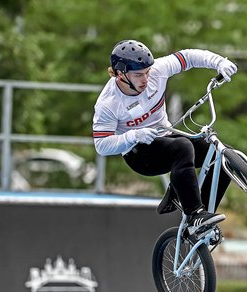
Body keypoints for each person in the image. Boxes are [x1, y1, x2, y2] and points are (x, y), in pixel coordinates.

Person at [92, 40, 237, 233]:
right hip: (139, 155)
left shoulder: (157, 71)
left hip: (167, 137)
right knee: (183, 147)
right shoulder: (108, 103)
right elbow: (101, 145)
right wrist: (134, 135)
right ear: (120, 74)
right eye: (138, 75)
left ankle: (204, 221)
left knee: (221, 157)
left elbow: (188, 57)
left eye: (147, 72)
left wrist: (219, 62)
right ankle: (194, 215)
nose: (145, 79)